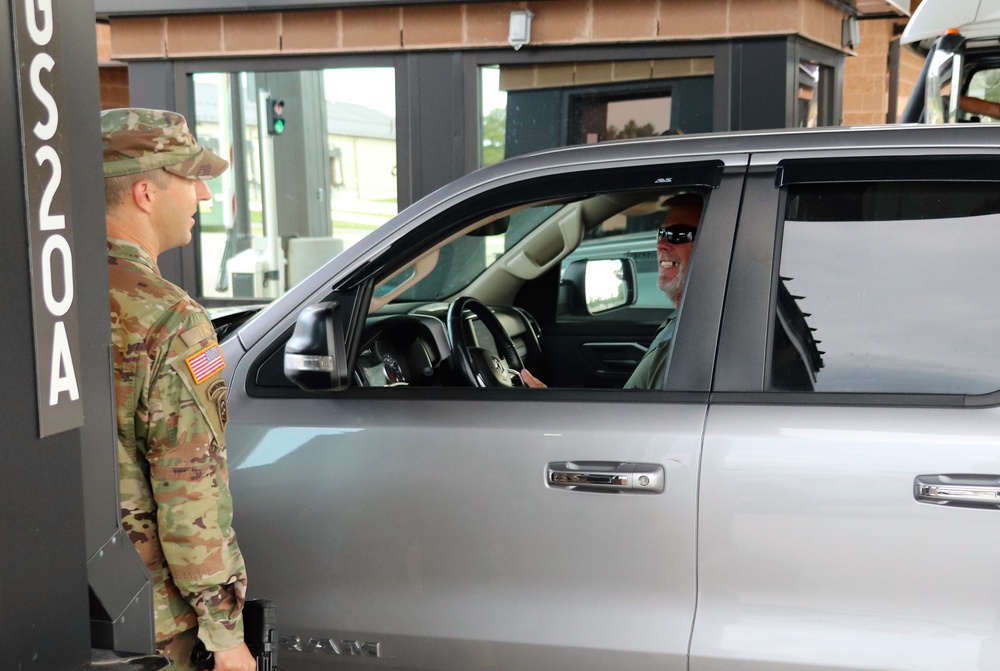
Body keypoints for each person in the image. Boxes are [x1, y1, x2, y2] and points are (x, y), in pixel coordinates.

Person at [103, 108, 256, 671]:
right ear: (145, 192)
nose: (204, 197)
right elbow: (190, 488)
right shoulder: (171, 319)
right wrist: (226, 636)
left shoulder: (40, 302)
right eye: (192, 179)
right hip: (149, 621)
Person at [520, 193, 703, 390]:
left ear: (711, 244)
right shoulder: (681, 322)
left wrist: (552, 414)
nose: (661, 244)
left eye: (678, 235)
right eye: (661, 233)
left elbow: (647, 421)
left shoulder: (694, 342)